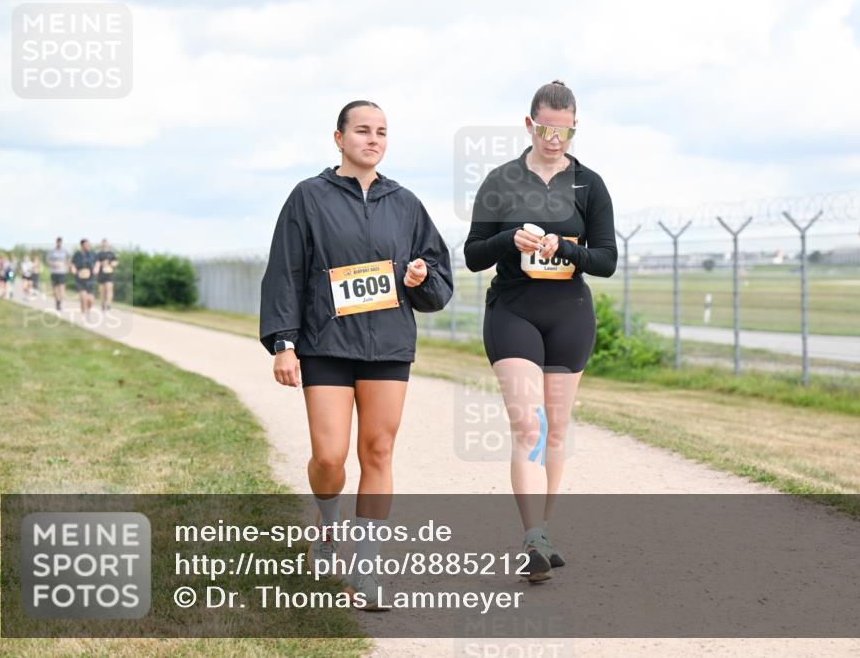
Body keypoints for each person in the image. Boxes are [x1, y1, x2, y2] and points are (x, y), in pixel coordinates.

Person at [259, 100, 453, 610]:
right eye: (363, 131)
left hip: (388, 345)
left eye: (382, 132)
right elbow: (286, 271)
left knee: (379, 452)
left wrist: (420, 277)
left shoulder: (405, 203)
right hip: (326, 343)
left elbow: (438, 278)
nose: (373, 140)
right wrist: (283, 343)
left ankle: (366, 571)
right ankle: (327, 529)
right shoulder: (308, 197)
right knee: (329, 456)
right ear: (339, 138)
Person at [464, 80, 617, 583]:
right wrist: (509, 239)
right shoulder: (501, 180)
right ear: (530, 125)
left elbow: (607, 260)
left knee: (556, 429)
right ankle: (532, 538)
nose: (555, 139)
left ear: (575, 128)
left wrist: (566, 248)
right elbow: (473, 255)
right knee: (528, 427)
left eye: (565, 131)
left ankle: (543, 532)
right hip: (513, 310)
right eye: (547, 129)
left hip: (570, 312)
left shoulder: (589, 185)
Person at [71, 238, 97, 317]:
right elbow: (72, 264)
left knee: (91, 300)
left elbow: (97, 262)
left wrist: (96, 268)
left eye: (89, 244)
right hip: (80, 280)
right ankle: (83, 315)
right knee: (84, 298)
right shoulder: (77, 255)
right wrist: (73, 269)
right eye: (86, 245)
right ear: (82, 245)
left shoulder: (92, 254)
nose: (88, 246)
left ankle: (87, 311)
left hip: (90, 280)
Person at [46, 237, 69, 311]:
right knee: (55, 288)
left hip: (62, 272)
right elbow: (47, 261)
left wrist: (67, 267)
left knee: (62, 288)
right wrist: (53, 264)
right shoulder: (52, 251)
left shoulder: (65, 251)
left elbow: (68, 259)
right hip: (54, 272)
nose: (59, 243)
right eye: (58, 242)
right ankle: (57, 301)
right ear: (56, 242)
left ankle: (60, 301)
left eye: (60, 242)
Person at [96, 238, 118, 311]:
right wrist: (101, 264)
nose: (105, 245)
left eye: (106, 244)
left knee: (109, 288)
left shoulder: (111, 254)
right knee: (102, 291)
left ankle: (108, 304)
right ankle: (103, 305)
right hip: (101, 274)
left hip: (109, 274)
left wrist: (110, 263)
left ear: (108, 244)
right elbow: (96, 264)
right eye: (103, 244)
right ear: (101, 245)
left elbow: (116, 262)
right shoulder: (99, 254)